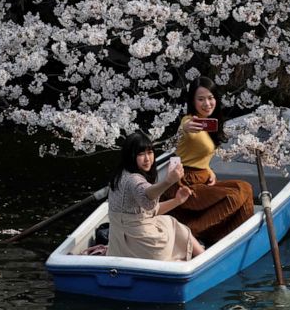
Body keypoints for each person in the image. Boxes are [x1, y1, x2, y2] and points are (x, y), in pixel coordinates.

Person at [164, 76, 254, 244]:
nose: (207, 103)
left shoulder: (209, 123)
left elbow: (198, 153)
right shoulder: (189, 121)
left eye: (210, 98)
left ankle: (235, 236)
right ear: (193, 101)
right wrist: (183, 128)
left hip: (202, 178)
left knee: (246, 188)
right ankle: (191, 231)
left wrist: (208, 169)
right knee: (235, 195)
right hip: (186, 183)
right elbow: (184, 130)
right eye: (201, 99)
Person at [107, 131, 204, 260]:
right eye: (141, 154)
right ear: (130, 156)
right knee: (172, 224)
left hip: (118, 246)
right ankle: (203, 257)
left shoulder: (120, 175)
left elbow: (150, 211)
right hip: (140, 246)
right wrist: (168, 181)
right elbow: (146, 193)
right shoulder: (133, 180)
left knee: (167, 221)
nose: (147, 159)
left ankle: (200, 255)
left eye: (150, 152)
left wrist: (177, 201)